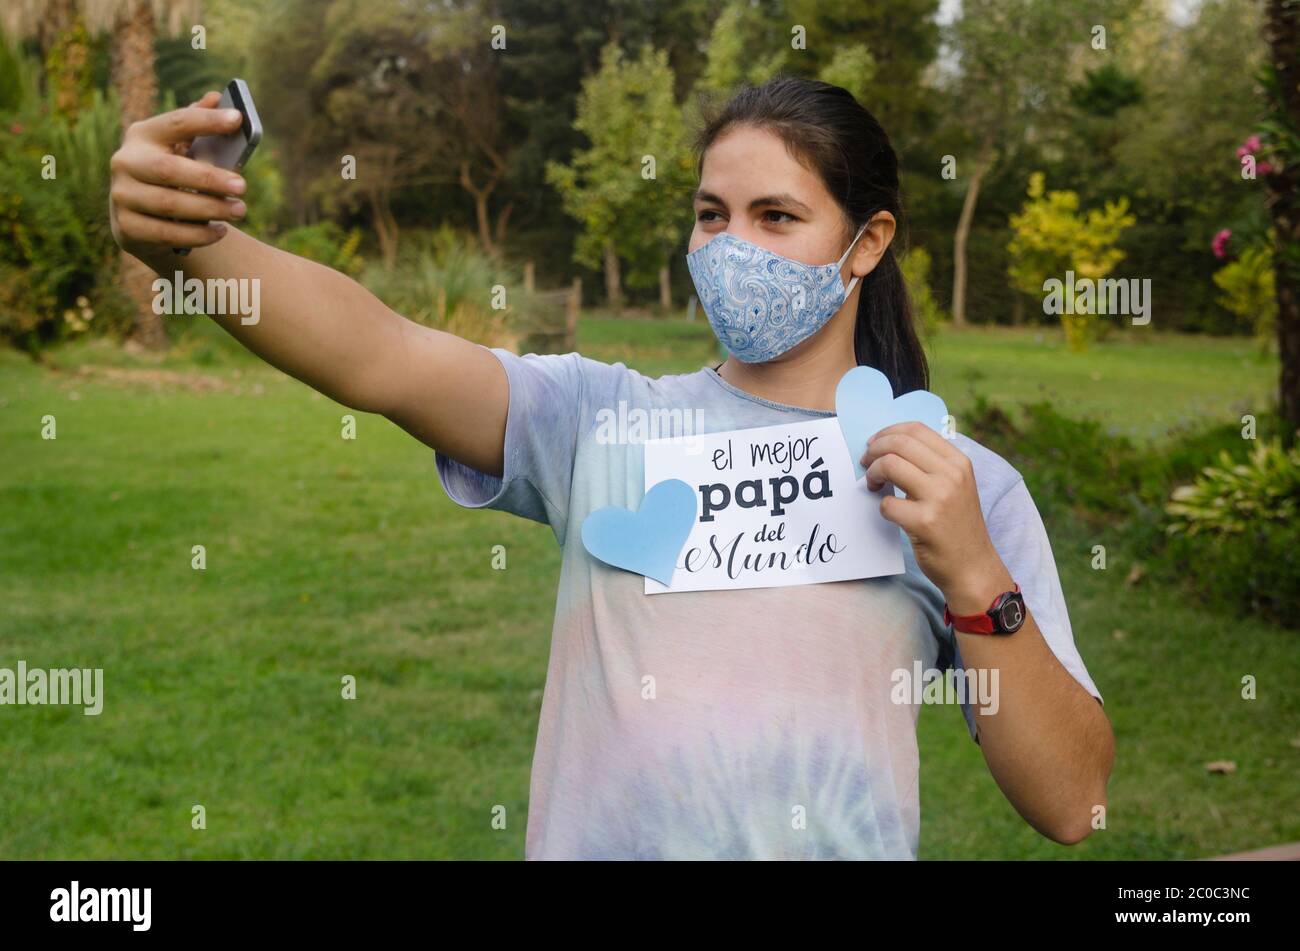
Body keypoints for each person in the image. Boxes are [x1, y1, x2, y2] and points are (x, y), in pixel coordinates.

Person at [109, 75, 1114, 860]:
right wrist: (189, 246)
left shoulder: (954, 484)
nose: (731, 247)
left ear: (865, 244)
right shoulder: (602, 422)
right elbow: (379, 354)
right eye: (711, 215)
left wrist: (978, 579)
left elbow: (1073, 803)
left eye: (775, 216)